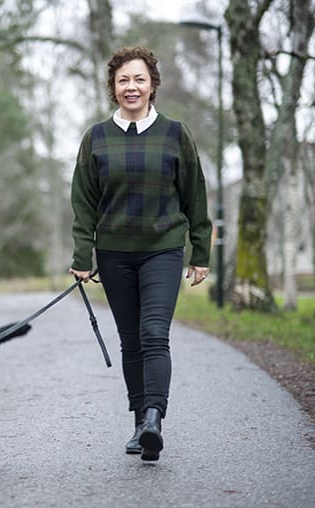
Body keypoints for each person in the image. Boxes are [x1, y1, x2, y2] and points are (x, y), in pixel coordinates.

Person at [68, 46, 212, 462]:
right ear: (113, 89)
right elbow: (84, 203)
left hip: (162, 250)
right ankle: (138, 424)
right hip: (113, 252)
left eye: (139, 79)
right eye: (123, 81)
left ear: (153, 85)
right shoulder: (95, 138)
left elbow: (194, 196)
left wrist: (200, 252)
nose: (132, 87)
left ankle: (154, 417)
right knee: (130, 340)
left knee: (153, 334)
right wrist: (83, 256)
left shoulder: (175, 133)